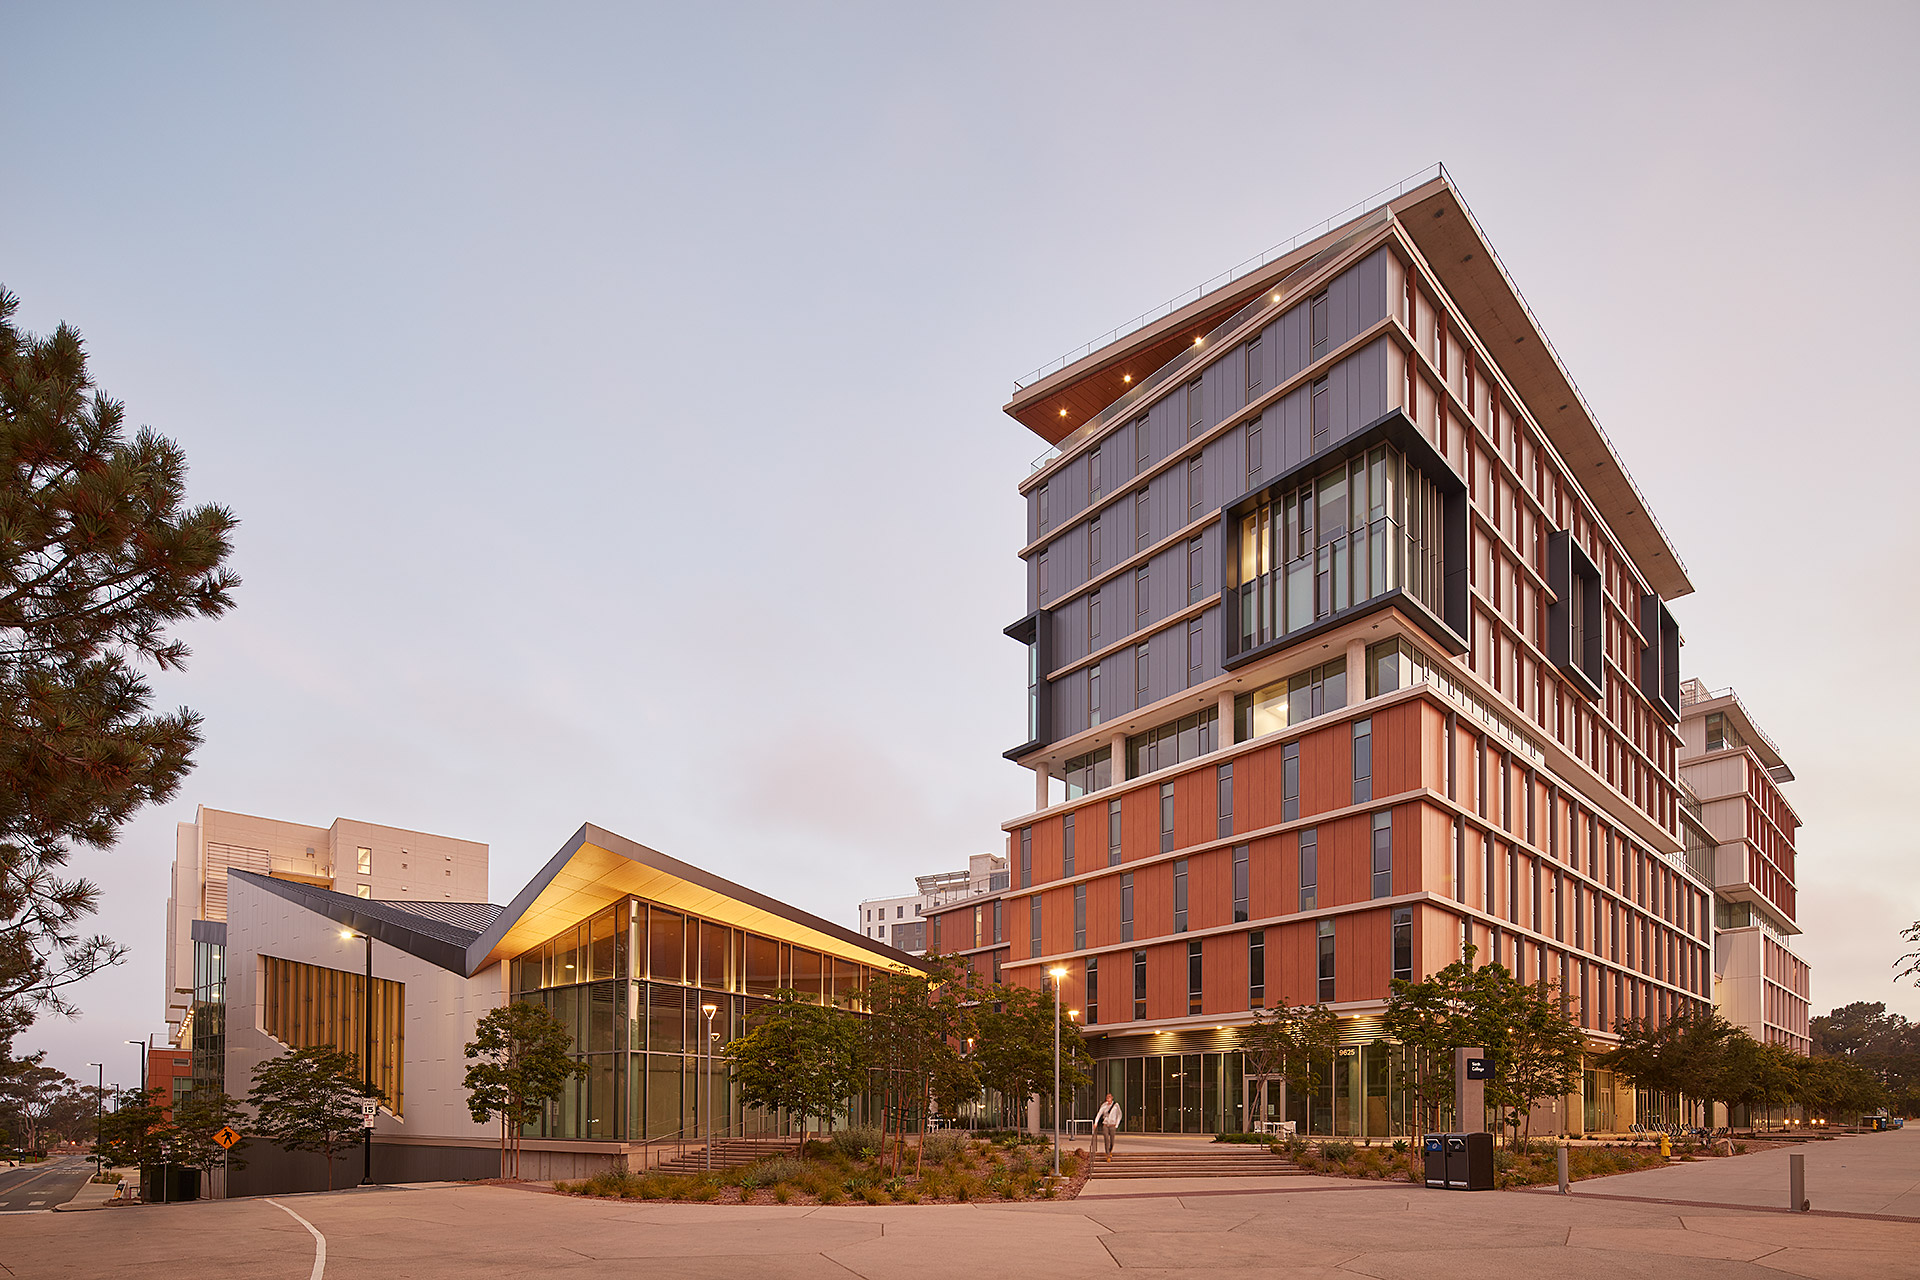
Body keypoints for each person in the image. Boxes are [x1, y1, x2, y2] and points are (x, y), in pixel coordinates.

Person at [1093, 1092, 1123, 1161]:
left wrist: (1117, 1124)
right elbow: (1099, 1114)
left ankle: (1110, 1150)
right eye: (1107, 1097)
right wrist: (1096, 1122)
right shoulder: (1104, 1105)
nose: (1108, 1099)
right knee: (1106, 1139)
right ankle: (1108, 1154)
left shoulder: (1116, 1105)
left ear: (1112, 1098)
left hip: (1112, 1125)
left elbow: (1119, 1115)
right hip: (1106, 1124)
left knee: (1112, 1141)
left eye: (1109, 1097)